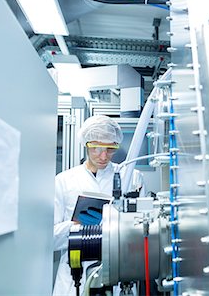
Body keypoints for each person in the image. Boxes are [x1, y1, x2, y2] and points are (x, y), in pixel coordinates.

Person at [53, 115, 146, 296]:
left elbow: (142, 233)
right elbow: (50, 239)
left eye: (110, 149)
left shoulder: (131, 177)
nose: (103, 156)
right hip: (74, 276)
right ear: (86, 144)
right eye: (96, 148)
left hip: (118, 271)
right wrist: (78, 226)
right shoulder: (64, 181)